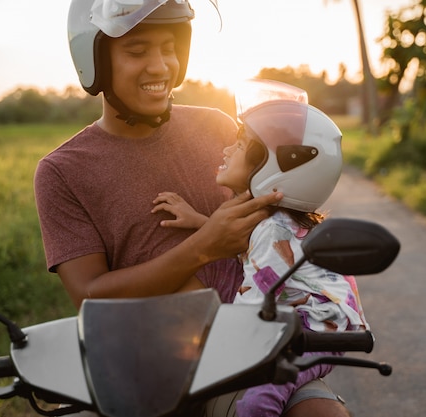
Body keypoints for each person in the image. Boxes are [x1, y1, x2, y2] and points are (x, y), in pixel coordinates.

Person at [34, 1, 351, 416]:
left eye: (169, 48)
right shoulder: (62, 171)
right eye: (136, 51)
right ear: (95, 60)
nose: (160, 66)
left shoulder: (219, 128)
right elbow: (90, 296)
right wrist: (204, 245)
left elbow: (273, 229)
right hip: (136, 365)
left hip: (242, 353)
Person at [153, 80, 367, 417]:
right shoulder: (275, 222)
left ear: (271, 168)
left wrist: (216, 340)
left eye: (238, 146)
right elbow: (245, 242)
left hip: (312, 332)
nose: (225, 151)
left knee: (255, 403)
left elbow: (253, 308)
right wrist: (198, 222)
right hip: (314, 325)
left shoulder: (271, 230)